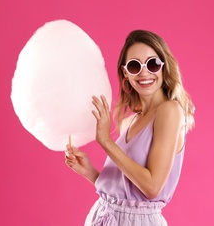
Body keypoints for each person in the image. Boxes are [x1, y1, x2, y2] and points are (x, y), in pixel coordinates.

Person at [65, 30, 195, 225]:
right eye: (135, 66)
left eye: (152, 64)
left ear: (164, 66)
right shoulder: (132, 120)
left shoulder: (170, 111)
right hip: (104, 216)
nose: (144, 72)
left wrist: (106, 142)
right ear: (126, 72)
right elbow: (126, 193)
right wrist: (90, 172)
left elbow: (152, 187)